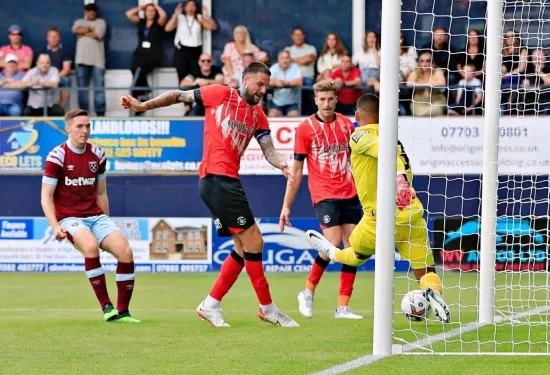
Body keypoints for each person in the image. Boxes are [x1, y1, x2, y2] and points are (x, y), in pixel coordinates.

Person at [120, 62, 299, 328]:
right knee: (256, 242)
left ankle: (211, 305)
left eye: (266, 86)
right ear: (246, 79)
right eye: (259, 84)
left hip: (224, 182)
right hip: (217, 179)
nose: (263, 90)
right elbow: (178, 95)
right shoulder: (220, 94)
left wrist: (281, 163)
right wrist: (143, 106)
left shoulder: (258, 115)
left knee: (242, 246)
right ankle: (268, 309)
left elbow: (268, 148)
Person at [305, 94, 450, 322]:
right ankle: (435, 293)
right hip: (411, 214)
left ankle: (331, 253)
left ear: (357, 115)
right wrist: (403, 181)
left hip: (380, 218)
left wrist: (399, 180)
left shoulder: (360, 135)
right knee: (425, 270)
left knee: (356, 252)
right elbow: (393, 154)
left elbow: (385, 151)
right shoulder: (396, 138)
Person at [41, 109, 140, 323]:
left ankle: (123, 312)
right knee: (90, 246)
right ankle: (107, 307)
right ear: (68, 129)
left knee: (125, 251)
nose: (84, 131)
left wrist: (107, 221)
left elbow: (101, 192)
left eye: (87, 126)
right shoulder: (57, 156)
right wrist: (55, 226)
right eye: (79, 126)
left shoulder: (98, 154)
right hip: (70, 217)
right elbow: (46, 198)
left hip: (96, 217)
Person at [279, 80, 362, 320]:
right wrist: (286, 206)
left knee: (355, 249)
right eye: (321, 99)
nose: (326, 103)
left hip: (350, 193)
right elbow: (295, 171)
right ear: (315, 100)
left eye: (330, 99)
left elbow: (358, 161)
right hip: (324, 194)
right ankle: (307, 291)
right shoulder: (305, 129)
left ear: (336, 99)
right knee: (333, 243)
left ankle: (343, 307)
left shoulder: (347, 126)